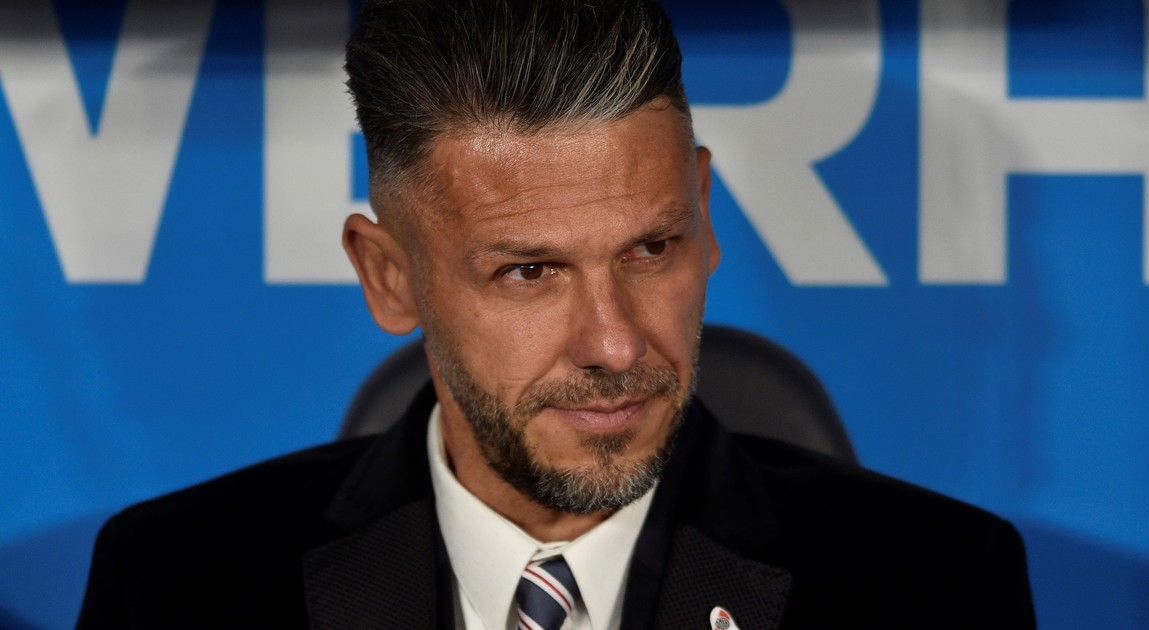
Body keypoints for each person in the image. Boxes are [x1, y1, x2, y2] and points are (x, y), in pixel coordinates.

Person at [77, 0, 1036, 628]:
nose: (615, 343)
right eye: (530, 272)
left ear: (703, 217)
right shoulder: (174, 586)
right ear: (389, 277)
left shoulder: (938, 587)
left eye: (651, 249)